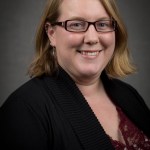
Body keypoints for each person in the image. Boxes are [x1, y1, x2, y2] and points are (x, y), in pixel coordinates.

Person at [0, 0, 150, 149]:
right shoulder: (23, 109)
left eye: (103, 24)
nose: (92, 38)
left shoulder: (129, 94)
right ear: (51, 33)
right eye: (76, 25)